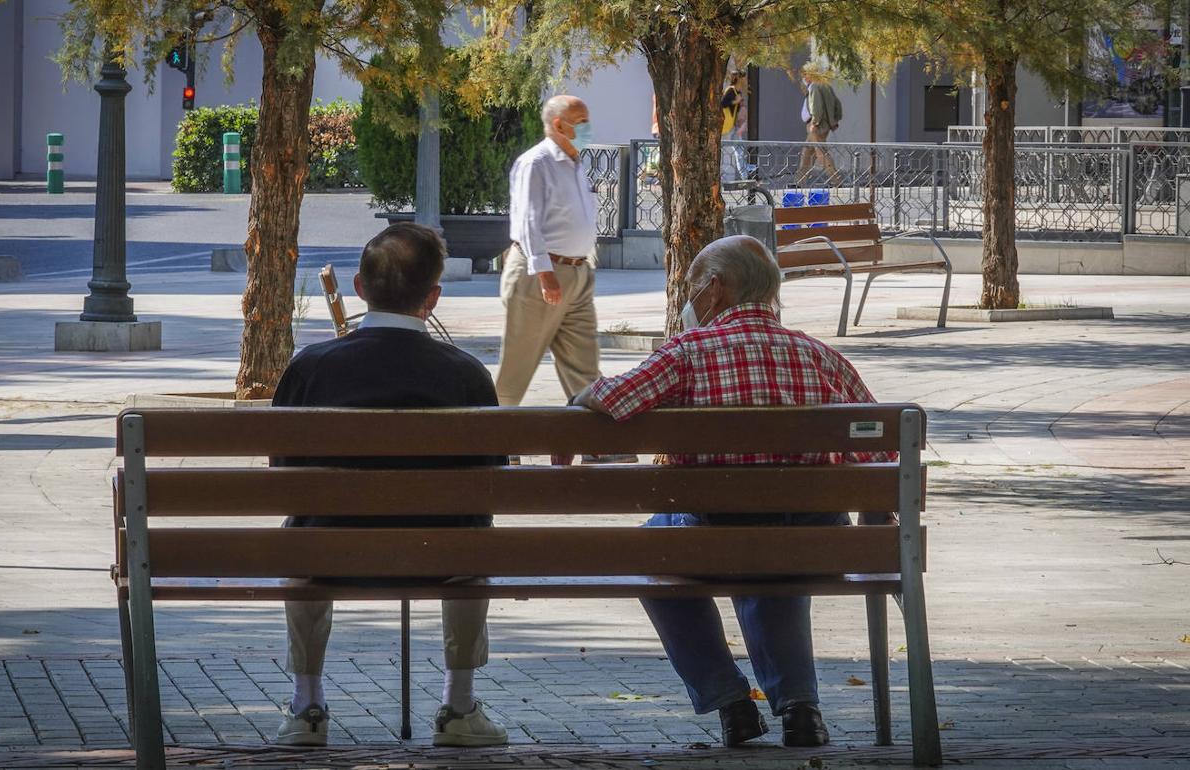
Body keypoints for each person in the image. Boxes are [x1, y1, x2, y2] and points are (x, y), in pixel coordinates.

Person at [567, 235, 889, 749]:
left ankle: (730, 702)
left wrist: (579, 393)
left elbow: (612, 398)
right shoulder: (821, 357)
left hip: (714, 538)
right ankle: (801, 710)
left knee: (653, 551)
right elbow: (881, 462)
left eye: (694, 286)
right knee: (771, 541)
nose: (690, 297)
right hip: (814, 545)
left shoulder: (687, 353)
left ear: (714, 289)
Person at [271, 223, 508, 748]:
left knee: (300, 528)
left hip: (329, 551)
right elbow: (490, 482)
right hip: (443, 556)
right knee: (475, 534)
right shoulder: (467, 374)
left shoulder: (311, 368)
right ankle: (460, 708)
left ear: (359, 287)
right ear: (433, 296)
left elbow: (283, 474)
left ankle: (307, 708)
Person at [498, 94, 635, 463]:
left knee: (583, 364)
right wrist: (545, 273)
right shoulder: (536, 163)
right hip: (540, 274)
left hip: (576, 272)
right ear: (558, 125)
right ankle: (492, 445)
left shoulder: (575, 164)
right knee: (518, 366)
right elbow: (527, 221)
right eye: (580, 119)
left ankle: (598, 446)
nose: (587, 127)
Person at [795, 62, 843, 186]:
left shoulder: (815, 86)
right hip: (820, 125)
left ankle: (837, 181)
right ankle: (799, 182)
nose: (804, 77)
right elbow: (838, 105)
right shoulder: (825, 85)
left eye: (805, 74)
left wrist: (814, 123)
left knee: (821, 153)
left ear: (811, 74)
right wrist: (834, 121)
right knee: (807, 153)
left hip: (816, 126)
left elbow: (817, 106)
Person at [720, 70, 749, 181]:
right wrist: (734, 102)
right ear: (739, 79)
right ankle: (723, 180)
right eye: (744, 78)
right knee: (723, 153)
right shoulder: (730, 91)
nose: (746, 81)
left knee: (740, 151)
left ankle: (745, 178)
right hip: (724, 128)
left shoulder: (739, 93)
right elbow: (722, 103)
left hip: (732, 127)